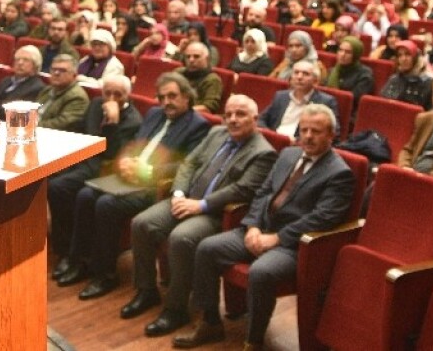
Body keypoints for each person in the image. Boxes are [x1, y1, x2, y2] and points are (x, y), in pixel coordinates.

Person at [175, 105, 354, 349]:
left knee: (261, 272)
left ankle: (253, 341)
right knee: (207, 249)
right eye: (304, 130)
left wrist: (277, 238)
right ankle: (210, 322)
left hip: (294, 246)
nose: (308, 136)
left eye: (316, 131)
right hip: (260, 230)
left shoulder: (339, 173)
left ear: (331, 135)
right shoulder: (289, 154)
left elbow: (321, 218)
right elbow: (263, 193)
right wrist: (252, 227)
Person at [125, 96, 278, 337]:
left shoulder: (263, 152)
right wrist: (178, 193)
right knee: (142, 223)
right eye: (229, 114)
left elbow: (242, 189)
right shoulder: (216, 132)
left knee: (181, 238)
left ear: (255, 119)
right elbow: (189, 162)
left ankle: (176, 309)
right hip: (184, 198)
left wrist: (201, 205)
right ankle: (146, 290)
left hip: (217, 214)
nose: (233, 120)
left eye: (241, 114)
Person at [59, 74, 210, 298]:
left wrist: (149, 172)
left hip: (155, 186)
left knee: (106, 204)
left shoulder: (198, 126)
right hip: (129, 177)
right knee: (84, 195)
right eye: (162, 97)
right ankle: (79, 261)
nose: (166, 102)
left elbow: (187, 166)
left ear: (187, 97)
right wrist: (126, 160)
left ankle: (105, 275)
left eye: (172, 96)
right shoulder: (154, 114)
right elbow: (134, 144)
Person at [49, 74, 143, 278]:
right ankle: (64, 248)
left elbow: (113, 154)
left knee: (58, 187)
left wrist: (113, 122)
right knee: (46, 177)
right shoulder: (95, 104)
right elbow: (81, 131)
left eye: (117, 94)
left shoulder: (132, 120)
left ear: (128, 95)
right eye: (107, 93)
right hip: (80, 157)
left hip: (102, 167)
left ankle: (66, 252)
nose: (110, 98)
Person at [260, 60, 337, 138]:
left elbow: (333, 132)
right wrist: (270, 135)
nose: (299, 77)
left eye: (305, 74)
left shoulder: (325, 102)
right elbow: (261, 120)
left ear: (315, 81)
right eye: (296, 73)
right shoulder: (281, 96)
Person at [0, 45, 45, 116]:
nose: (20, 63)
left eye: (25, 60)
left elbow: (11, 112)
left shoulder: (36, 87)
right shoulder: (6, 80)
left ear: (35, 65)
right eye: (17, 59)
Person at [36, 54, 90, 131]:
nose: (56, 73)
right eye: (53, 69)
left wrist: (30, 126)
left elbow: (60, 124)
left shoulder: (77, 97)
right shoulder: (47, 90)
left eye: (62, 70)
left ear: (74, 75)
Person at [380, 40, 433, 109]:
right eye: (400, 55)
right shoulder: (394, 78)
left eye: (407, 54)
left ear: (415, 58)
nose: (403, 59)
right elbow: (382, 103)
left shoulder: (427, 81)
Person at [178, 41, 224, 115]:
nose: (191, 60)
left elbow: (208, 108)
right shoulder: (178, 72)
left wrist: (180, 110)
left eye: (196, 56)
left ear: (207, 59)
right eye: (188, 56)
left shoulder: (212, 80)